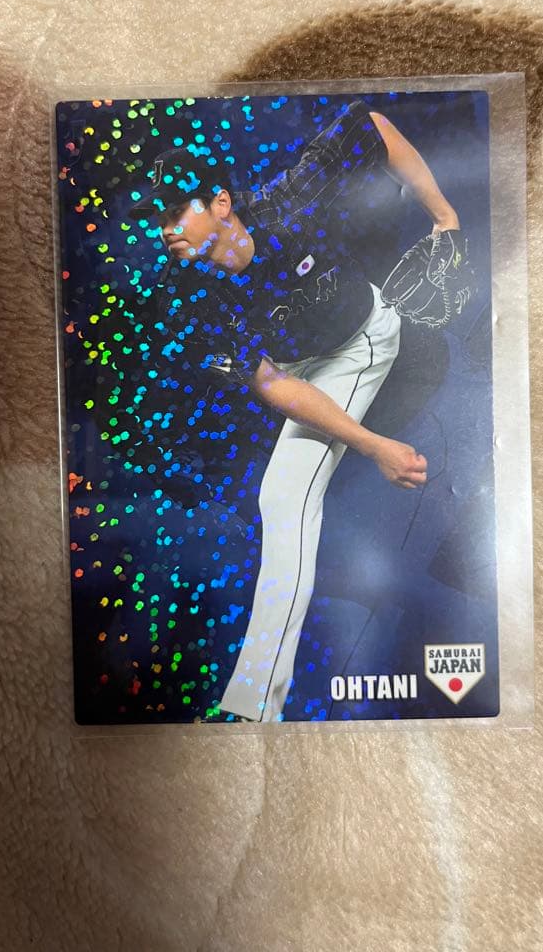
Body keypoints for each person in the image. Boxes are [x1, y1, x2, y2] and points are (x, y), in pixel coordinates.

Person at [129, 99, 460, 722]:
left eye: (175, 211)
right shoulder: (187, 293)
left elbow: (371, 125)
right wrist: (372, 443)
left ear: (220, 203)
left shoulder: (288, 199)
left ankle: (255, 705)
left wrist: (444, 216)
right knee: (271, 497)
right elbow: (273, 384)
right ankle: (258, 701)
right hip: (293, 369)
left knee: (283, 498)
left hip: (358, 341)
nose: (166, 229)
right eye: (158, 219)